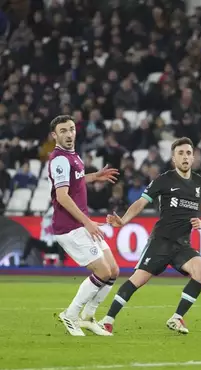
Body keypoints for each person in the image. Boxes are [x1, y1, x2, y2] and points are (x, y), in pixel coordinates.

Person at [101, 137, 201, 334]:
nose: (185, 157)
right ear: (174, 158)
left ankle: (176, 318)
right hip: (161, 241)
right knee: (138, 279)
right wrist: (123, 220)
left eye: (188, 153)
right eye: (180, 153)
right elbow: (141, 202)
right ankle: (107, 319)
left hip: (182, 244)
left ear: (193, 157)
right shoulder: (164, 180)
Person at [48, 115, 120, 337]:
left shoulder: (73, 156)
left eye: (71, 129)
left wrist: (94, 176)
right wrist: (87, 222)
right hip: (69, 226)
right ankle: (71, 315)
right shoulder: (59, 158)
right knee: (102, 271)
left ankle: (88, 317)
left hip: (80, 223)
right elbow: (62, 196)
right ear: (55, 135)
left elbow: (76, 180)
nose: (69, 134)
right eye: (63, 131)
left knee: (114, 271)